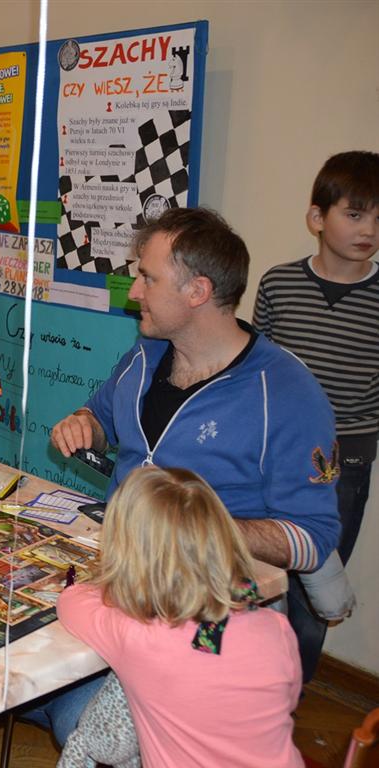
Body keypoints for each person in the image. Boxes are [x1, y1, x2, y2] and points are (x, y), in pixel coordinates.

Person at [43, 207, 340, 741]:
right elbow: (103, 419)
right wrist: (85, 423)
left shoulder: (287, 393)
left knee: (76, 719)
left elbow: (312, 539)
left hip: (205, 614)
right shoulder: (146, 353)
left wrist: (194, 531)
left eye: (148, 278)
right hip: (117, 579)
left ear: (198, 291)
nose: (134, 292)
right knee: (14, 666)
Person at [57, 466, 303, 768]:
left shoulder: (140, 636)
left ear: (127, 556)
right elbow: (287, 700)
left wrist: (115, 585)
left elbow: (70, 602)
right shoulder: (274, 626)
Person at [253, 150, 378, 678]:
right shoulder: (278, 284)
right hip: (271, 452)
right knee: (255, 575)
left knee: (316, 589)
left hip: (344, 459)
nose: (368, 230)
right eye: (355, 214)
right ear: (317, 217)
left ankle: (290, 692)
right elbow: (256, 370)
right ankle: (245, 683)